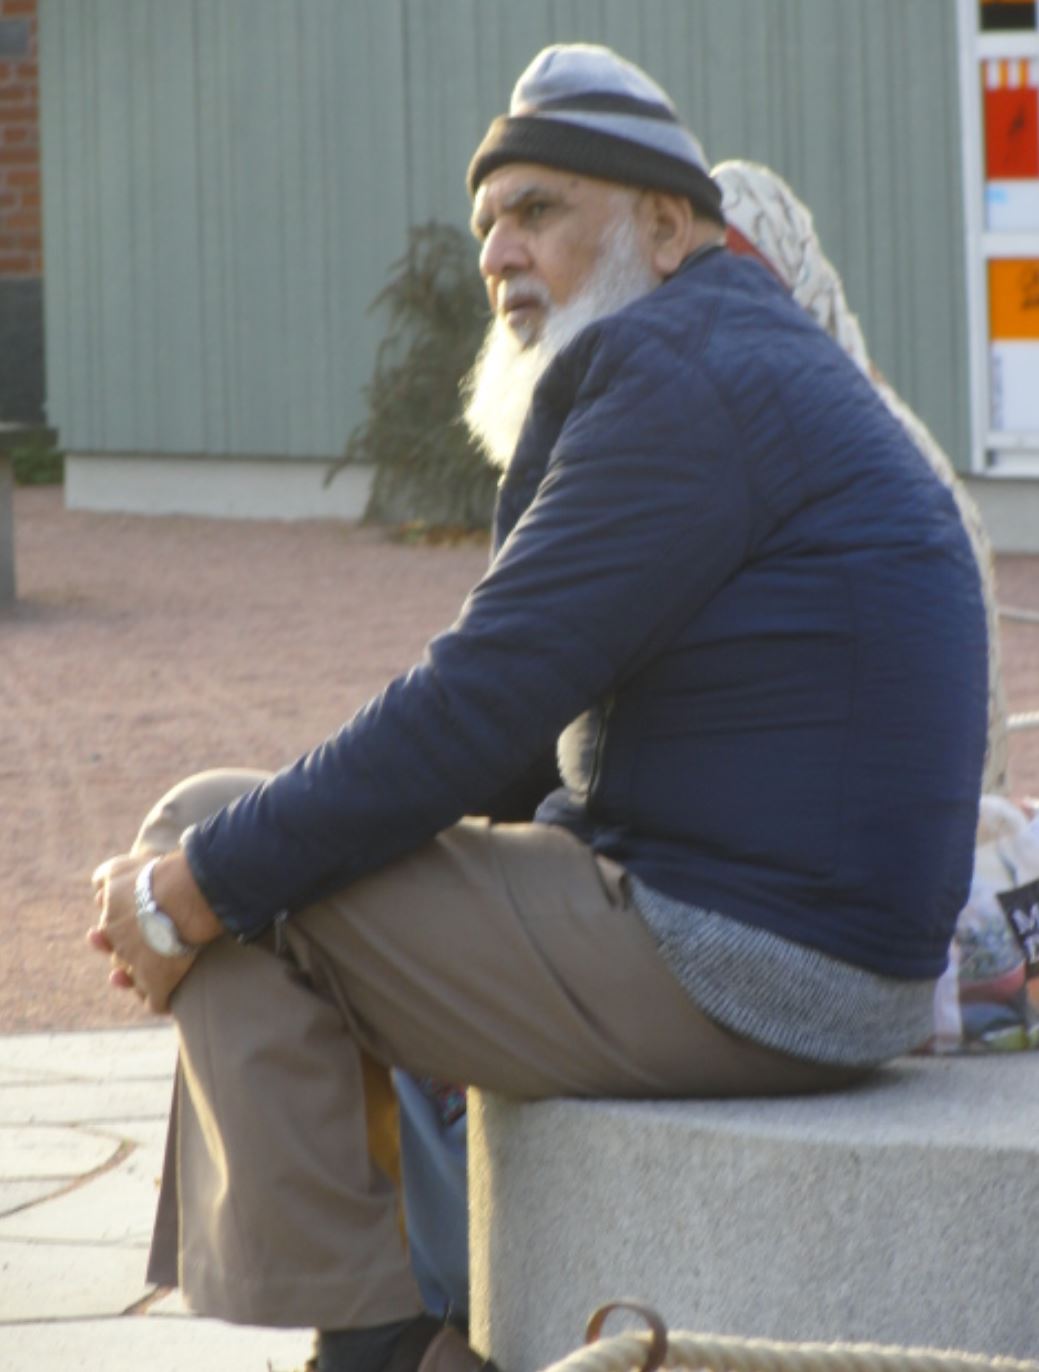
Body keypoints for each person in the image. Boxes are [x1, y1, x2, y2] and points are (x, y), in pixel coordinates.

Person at [89, 43, 988, 1372]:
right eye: (486, 220)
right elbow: (508, 740)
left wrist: (190, 891)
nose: (499, 249)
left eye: (540, 209)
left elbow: (474, 703)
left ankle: (387, 1345)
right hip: (798, 945)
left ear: (669, 226)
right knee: (252, 847)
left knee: (221, 851)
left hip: (750, 960)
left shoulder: (679, 377)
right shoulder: (731, 356)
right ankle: (386, 1315)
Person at [713, 157, 1009, 798]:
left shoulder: (862, 444)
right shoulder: (778, 423)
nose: (729, 303)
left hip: (905, 806)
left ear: (795, 279)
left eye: (748, 272)